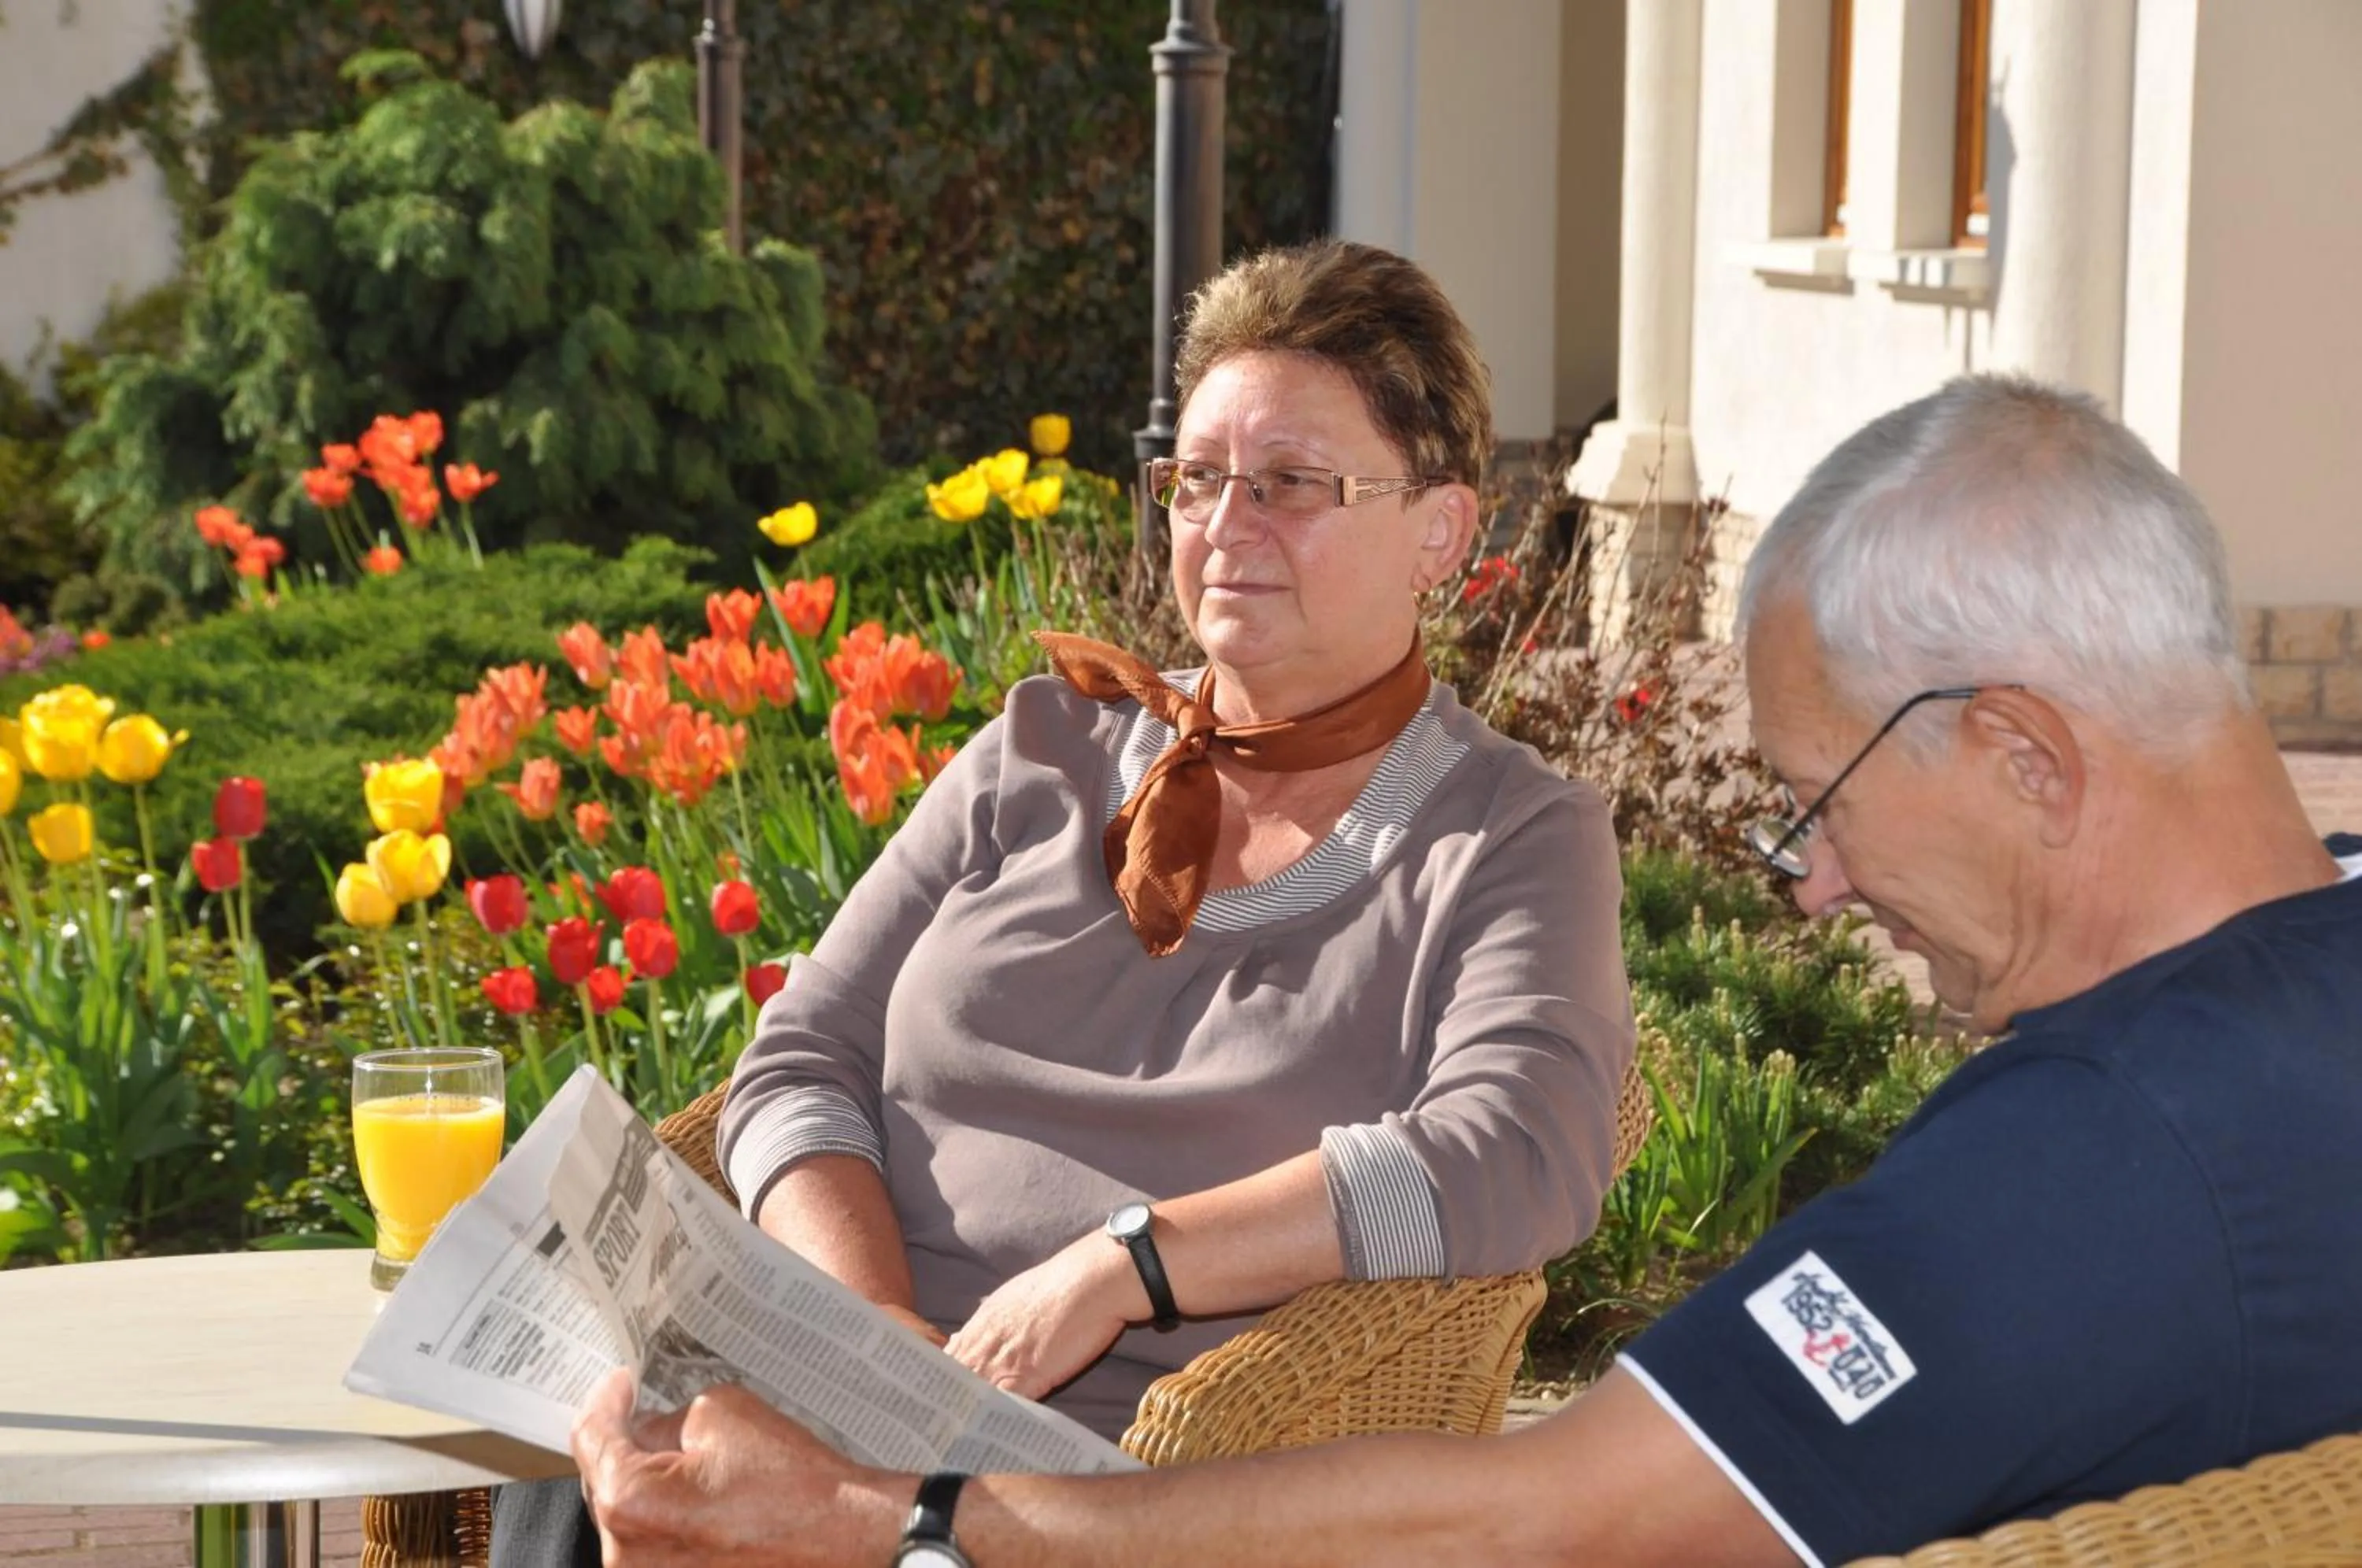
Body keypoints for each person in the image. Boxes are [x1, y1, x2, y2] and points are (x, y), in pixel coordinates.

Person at [570, 372, 2362, 1566]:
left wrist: (896, 1514)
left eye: (1818, 804)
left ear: (2027, 755)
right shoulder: (2291, 1026)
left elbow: (1538, 1524)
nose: (1810, 888)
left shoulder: (2098, 1162)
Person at [493, 239, 1638, 1559]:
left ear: (1439, 526)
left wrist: (1127, 1268)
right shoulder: (1042, 747)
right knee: (603, 1431)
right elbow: (800, 1060)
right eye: (1199, 481)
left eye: (1291, 485)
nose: (1226, 528)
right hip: (850, 1375)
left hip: (1106, 1484)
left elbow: (1523, 1149)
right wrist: (879, 1341)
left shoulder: (1508, 836)